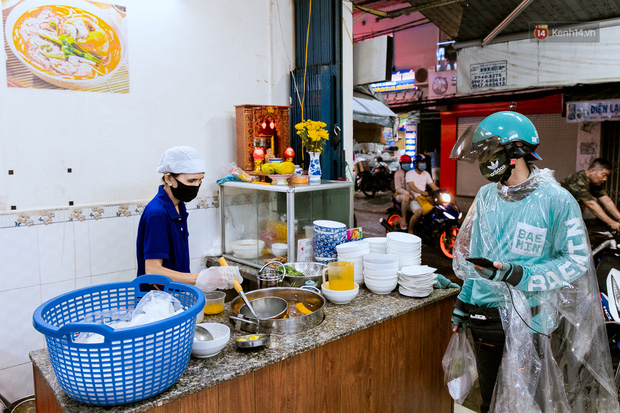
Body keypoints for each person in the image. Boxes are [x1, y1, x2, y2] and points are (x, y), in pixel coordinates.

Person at [449, 111, 618, 412]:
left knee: (526, 401)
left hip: (531, 319)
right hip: (485, 318)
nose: (484, 161)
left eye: (490, 152)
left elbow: (576, 260)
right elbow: (475, 256)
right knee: (491, 400)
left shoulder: (557, 199)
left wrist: (519, 274)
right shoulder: (487, 195)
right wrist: (464, 302)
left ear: (516, 152)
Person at [137, 146, 242, 292]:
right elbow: (153, 271)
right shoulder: (157, 214)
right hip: (157, 301)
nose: (196, 186)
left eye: (200, 180)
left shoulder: (179, 205)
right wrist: (204, 278)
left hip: (174, 295)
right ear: (169, 179)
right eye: (191, 181)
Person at [560, 158, 620, 231]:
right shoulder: (578, 180)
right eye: (604, 175)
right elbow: (591, 204)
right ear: (592, 171)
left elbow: (607, 201)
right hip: (559, 217)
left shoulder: (594, 182)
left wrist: (619, 218)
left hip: (572, 218)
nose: (605, 179)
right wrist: (611, 222)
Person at [405, 154, 439, 234]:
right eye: (421, 162)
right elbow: (411, 186)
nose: (423, 164)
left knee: (437, 209)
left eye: (424, 162)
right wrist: (421, 192)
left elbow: (433, 186)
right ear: (416, 164)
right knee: (419, 212)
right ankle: (410, 230)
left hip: (424, 198)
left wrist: (441, 191)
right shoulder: (410, 173)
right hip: (414, 198)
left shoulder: (426, 174)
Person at [393, 154, 413, 230]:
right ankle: (403, 220)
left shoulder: (411, 173)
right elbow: (398, 188)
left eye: (408, 163)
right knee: (406, 197)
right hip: (400, 195)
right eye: (404, 163)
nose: (406, 165)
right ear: (401, 164)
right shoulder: (398, 174)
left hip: (411, 194)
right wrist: (408, 193)